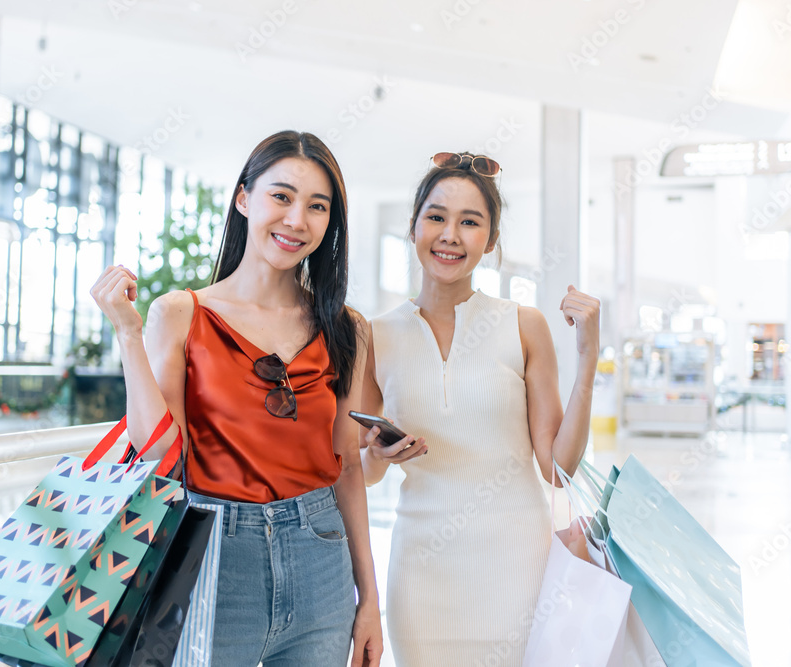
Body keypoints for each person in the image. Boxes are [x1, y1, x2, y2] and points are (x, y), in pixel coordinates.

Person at [91, 131, 383, 666]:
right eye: (282, 196)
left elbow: (347, 471)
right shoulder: (181, 313)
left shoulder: (346, 327)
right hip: (211, 554)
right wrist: (129, 337)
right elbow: (159, 455)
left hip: (322, 559)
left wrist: (370, 599)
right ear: (244, 198)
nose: (297, 219)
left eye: (318, 206)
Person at [359, 152, 601, 666]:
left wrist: (587, 358)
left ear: (490, 242)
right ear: (413, 226)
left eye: (470, 222)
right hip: (421, 571)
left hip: (516, 563)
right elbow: (361, 474)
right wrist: (380, 456)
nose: (450, 234)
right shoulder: (375, 335)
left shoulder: (524, 324)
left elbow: (557, 467)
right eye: (437, 216)